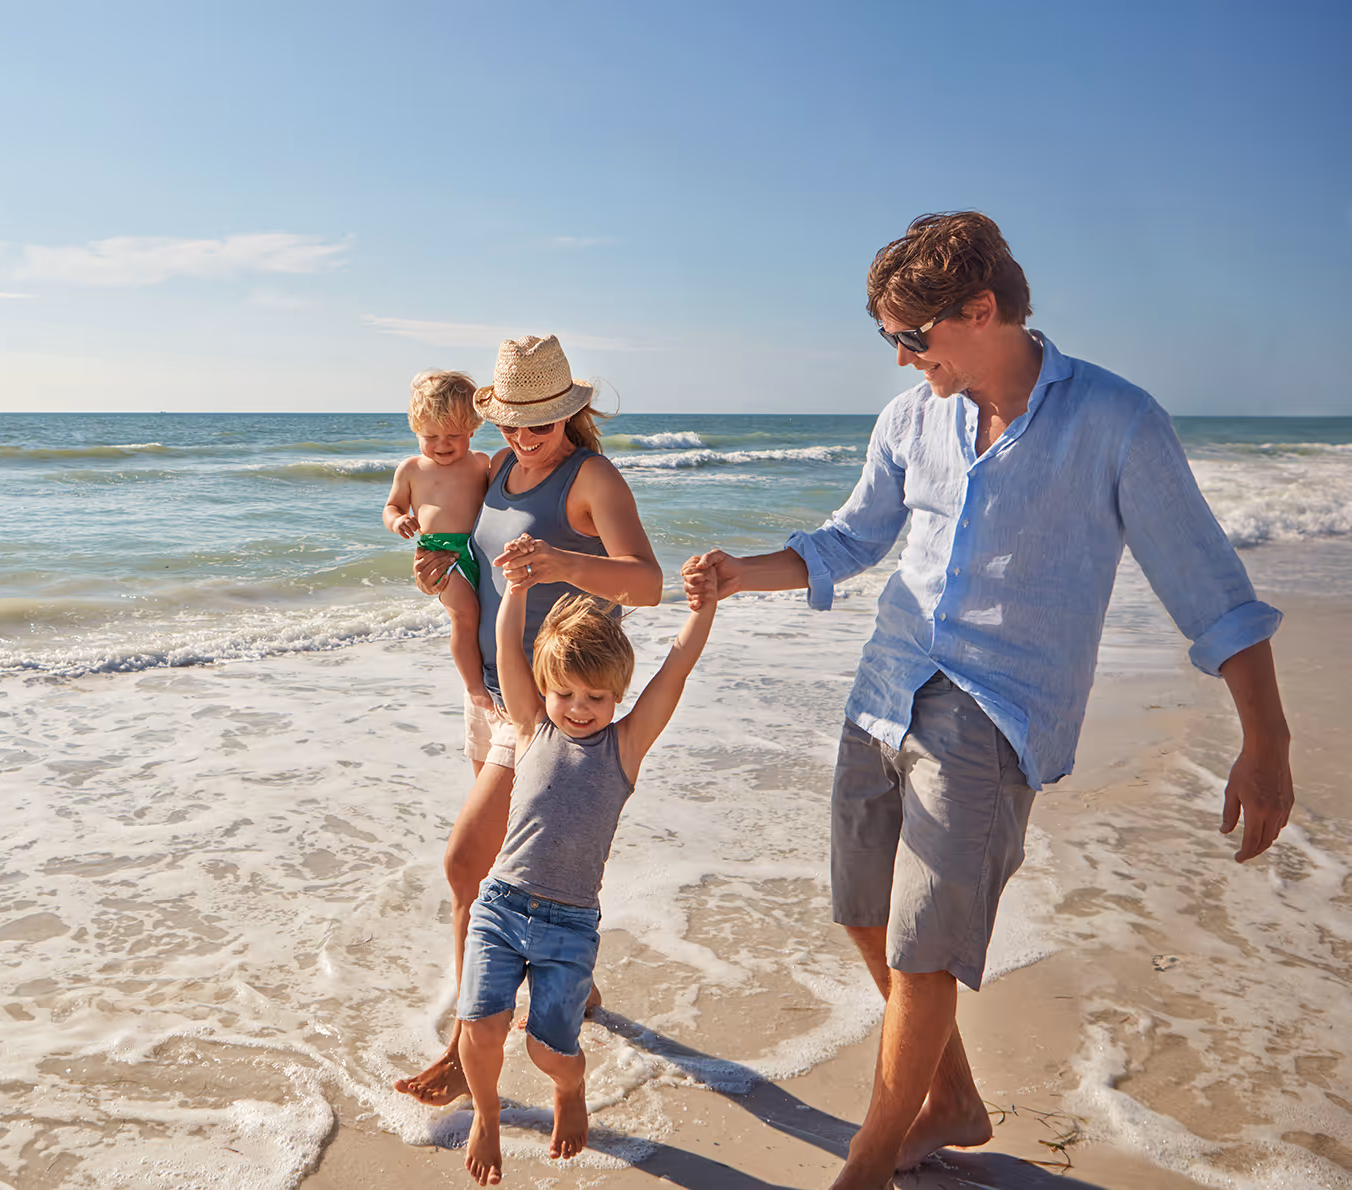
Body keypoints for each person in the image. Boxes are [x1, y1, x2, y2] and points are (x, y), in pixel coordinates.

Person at [682, 210, 1294, 1190]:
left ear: (981, 310)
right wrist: (739, 573)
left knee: (926, 943)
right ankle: (953, 1102)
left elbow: (1211, 590)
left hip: (997, 704)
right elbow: (849, 539)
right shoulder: (909, 420)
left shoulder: (1116, 421)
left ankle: (871, 1160)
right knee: (865, 913)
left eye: (911, 338)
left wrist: (1266, 739)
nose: (899, 358)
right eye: (890, 338)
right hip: (886, 683)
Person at [394, 334, 663, 1105]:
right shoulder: (500, 469)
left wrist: (565, 564)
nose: (520, 438)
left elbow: (645, 583)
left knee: (467, 869)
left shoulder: (592, 477)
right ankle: (574, 992)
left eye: (538, 425)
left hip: (549, 709)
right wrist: (439, 576)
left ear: (570, 417)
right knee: (516, 866)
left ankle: (462, 1045)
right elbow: (481, 560)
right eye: (509, 423)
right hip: (490, 690)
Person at [456, 549, 716, 1186]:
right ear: (545, 691)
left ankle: (569, 1092)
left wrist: (702, 610)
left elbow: (676, 671)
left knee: (551, 1051)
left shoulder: (625, 747)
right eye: (565, 693)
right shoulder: (531, 727)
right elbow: (509, 652)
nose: (578, 707)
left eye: (597, 696)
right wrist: (514, 589)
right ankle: (485, 1115)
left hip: (570, 924)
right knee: (481, 1026)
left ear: (618, 695)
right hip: (501, 905)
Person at [384, 371, 496, 714]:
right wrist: (399, 521)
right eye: (430, 435)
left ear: (473, 430)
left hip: (480, 550)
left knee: (489, 617)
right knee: (465, 615)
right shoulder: (412, 468)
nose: (442, 444)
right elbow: (392, 506)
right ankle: (475, 688)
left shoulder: (481, 463)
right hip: (441, 553)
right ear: (416, 430)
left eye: (453, 435)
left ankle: (494, 674)